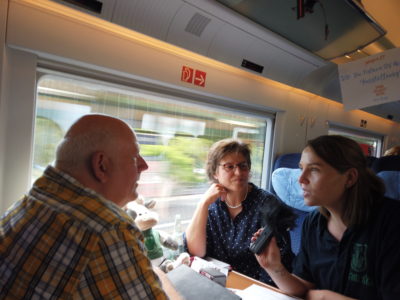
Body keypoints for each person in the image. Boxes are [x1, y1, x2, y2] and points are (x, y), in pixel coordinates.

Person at [0, 114, 181, 299]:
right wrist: (158, 275)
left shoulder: (35, 198)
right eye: (134, 157)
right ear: (101, 165)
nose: (144, 166)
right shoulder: (108, 230)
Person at [254, 135, 400, 300]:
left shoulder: (392, 224)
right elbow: (303, 288)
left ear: (350, 178)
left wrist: (324, 297)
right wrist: (273, 267)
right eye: (301, 168)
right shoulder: (314, 222)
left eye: (314, 169)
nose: (301, 179)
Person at [185, 138, 294, 286]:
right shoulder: (211, 204)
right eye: (229, 167)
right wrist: (203, 204)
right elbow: (197, 252)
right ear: (215, 172)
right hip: (217, 282)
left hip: (256, 287)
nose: (238, 172)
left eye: (243, 166)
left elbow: (279, 263)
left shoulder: (268, 205)